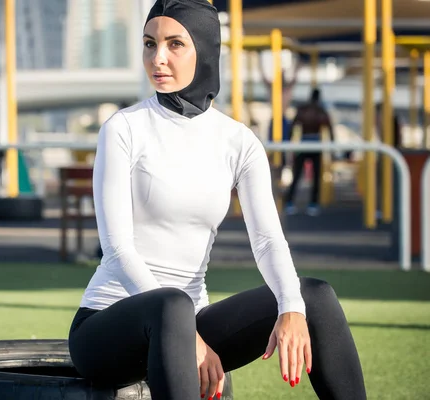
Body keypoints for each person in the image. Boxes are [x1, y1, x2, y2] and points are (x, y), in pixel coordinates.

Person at [68, 1, 367, 399]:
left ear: (206, 50)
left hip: (189, 321)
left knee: (313, 296)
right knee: (172, 305)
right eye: (149, 43)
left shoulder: (238, 141)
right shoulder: (124, 128)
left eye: (175, 44)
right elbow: (117, 249)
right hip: (108, 327)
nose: (158, 58)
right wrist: (187, 335)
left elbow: (267, 241)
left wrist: (291, 307)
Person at [283, 88, 334, 217]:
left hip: (303, 143)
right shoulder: (320, 111)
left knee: (297, 174)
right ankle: (313, 204)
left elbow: (293, 126)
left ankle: (289, 202)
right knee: (316, 177)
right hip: (315, 144)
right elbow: (330, 129)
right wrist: (333, 146)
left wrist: (289, 143)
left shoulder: (303, 109)